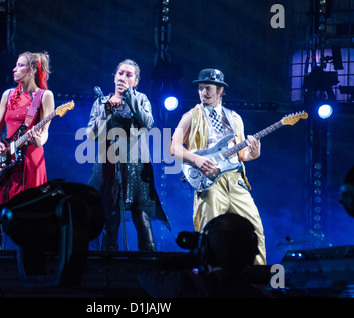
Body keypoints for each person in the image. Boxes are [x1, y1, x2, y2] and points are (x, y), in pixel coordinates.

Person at [169, 68, 266, 265]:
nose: (204, 92)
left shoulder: (234, 118)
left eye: (209, 88)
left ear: (220, 90)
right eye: (201, 88)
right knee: (211, 232)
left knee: (254, 229)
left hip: (236, 181)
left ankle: (258, 280)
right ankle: (210, 279)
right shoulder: (191, 116)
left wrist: (253, 154)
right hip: (209, 180)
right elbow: (174, 147)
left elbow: (241, 154)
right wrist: (196, 159)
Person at [86, 59, 170, 252]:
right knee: (110, 219)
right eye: (120, 73)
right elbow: (91, 136)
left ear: (136, 81)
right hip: (108, 167)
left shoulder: (141, 99)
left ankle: (148, 269)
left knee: (142, 219)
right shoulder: (101, 102)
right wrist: (106, 111)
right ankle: (110, 271)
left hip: (136, 167)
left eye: (129, 75)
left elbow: (148, 122)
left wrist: (130, 97)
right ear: (114, 77)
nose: (123, 77)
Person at [0, 51, 55, 249]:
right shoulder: (8, 94)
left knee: (28, 215)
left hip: (31, 160)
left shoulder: (45, 96)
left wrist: (39, 141)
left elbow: (46, 132)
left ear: (33, 70)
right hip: (6, 158)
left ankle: (27, 266)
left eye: (20, 65)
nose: (14, 69)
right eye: (15, 65)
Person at [138, 212, 268, 298]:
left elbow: (147, 273)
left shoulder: (189, 286)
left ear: (206, 248)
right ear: (251, 252)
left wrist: (197, 255)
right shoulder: (253, 294)